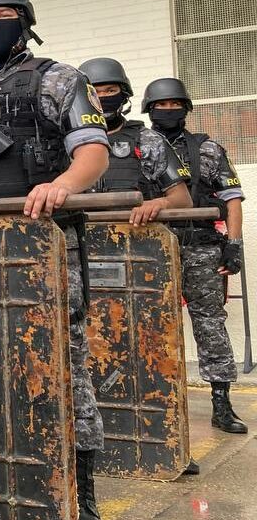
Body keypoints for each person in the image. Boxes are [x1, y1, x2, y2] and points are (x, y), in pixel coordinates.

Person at [0, 0, 110, 520]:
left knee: (65, 370)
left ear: (24, 21)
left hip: (45, 248)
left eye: (0, 15)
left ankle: (85, 498)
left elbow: (91, 152)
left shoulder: (58, 80)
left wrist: (62, 187)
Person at [143, 77, 247, 434]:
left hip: (202, 247)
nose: (169, 110)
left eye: (175, 105)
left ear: (186, 108)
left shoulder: (208, 149)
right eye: (161, 105)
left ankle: (222, 403)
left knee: (210, 324)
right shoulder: (138, 146)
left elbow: (232, 198)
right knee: (151, 327)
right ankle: (155, 403)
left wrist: (234, 245)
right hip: (153, 248)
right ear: (148, 109)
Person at [78, 57, 191, 219]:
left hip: (135, 236)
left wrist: (158, 203)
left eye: (110, 91)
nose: (103, 97)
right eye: (96, 92)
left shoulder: (148, 140)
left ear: (123, 96)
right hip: (79, 239)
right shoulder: (64, 141)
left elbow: (183, 199)